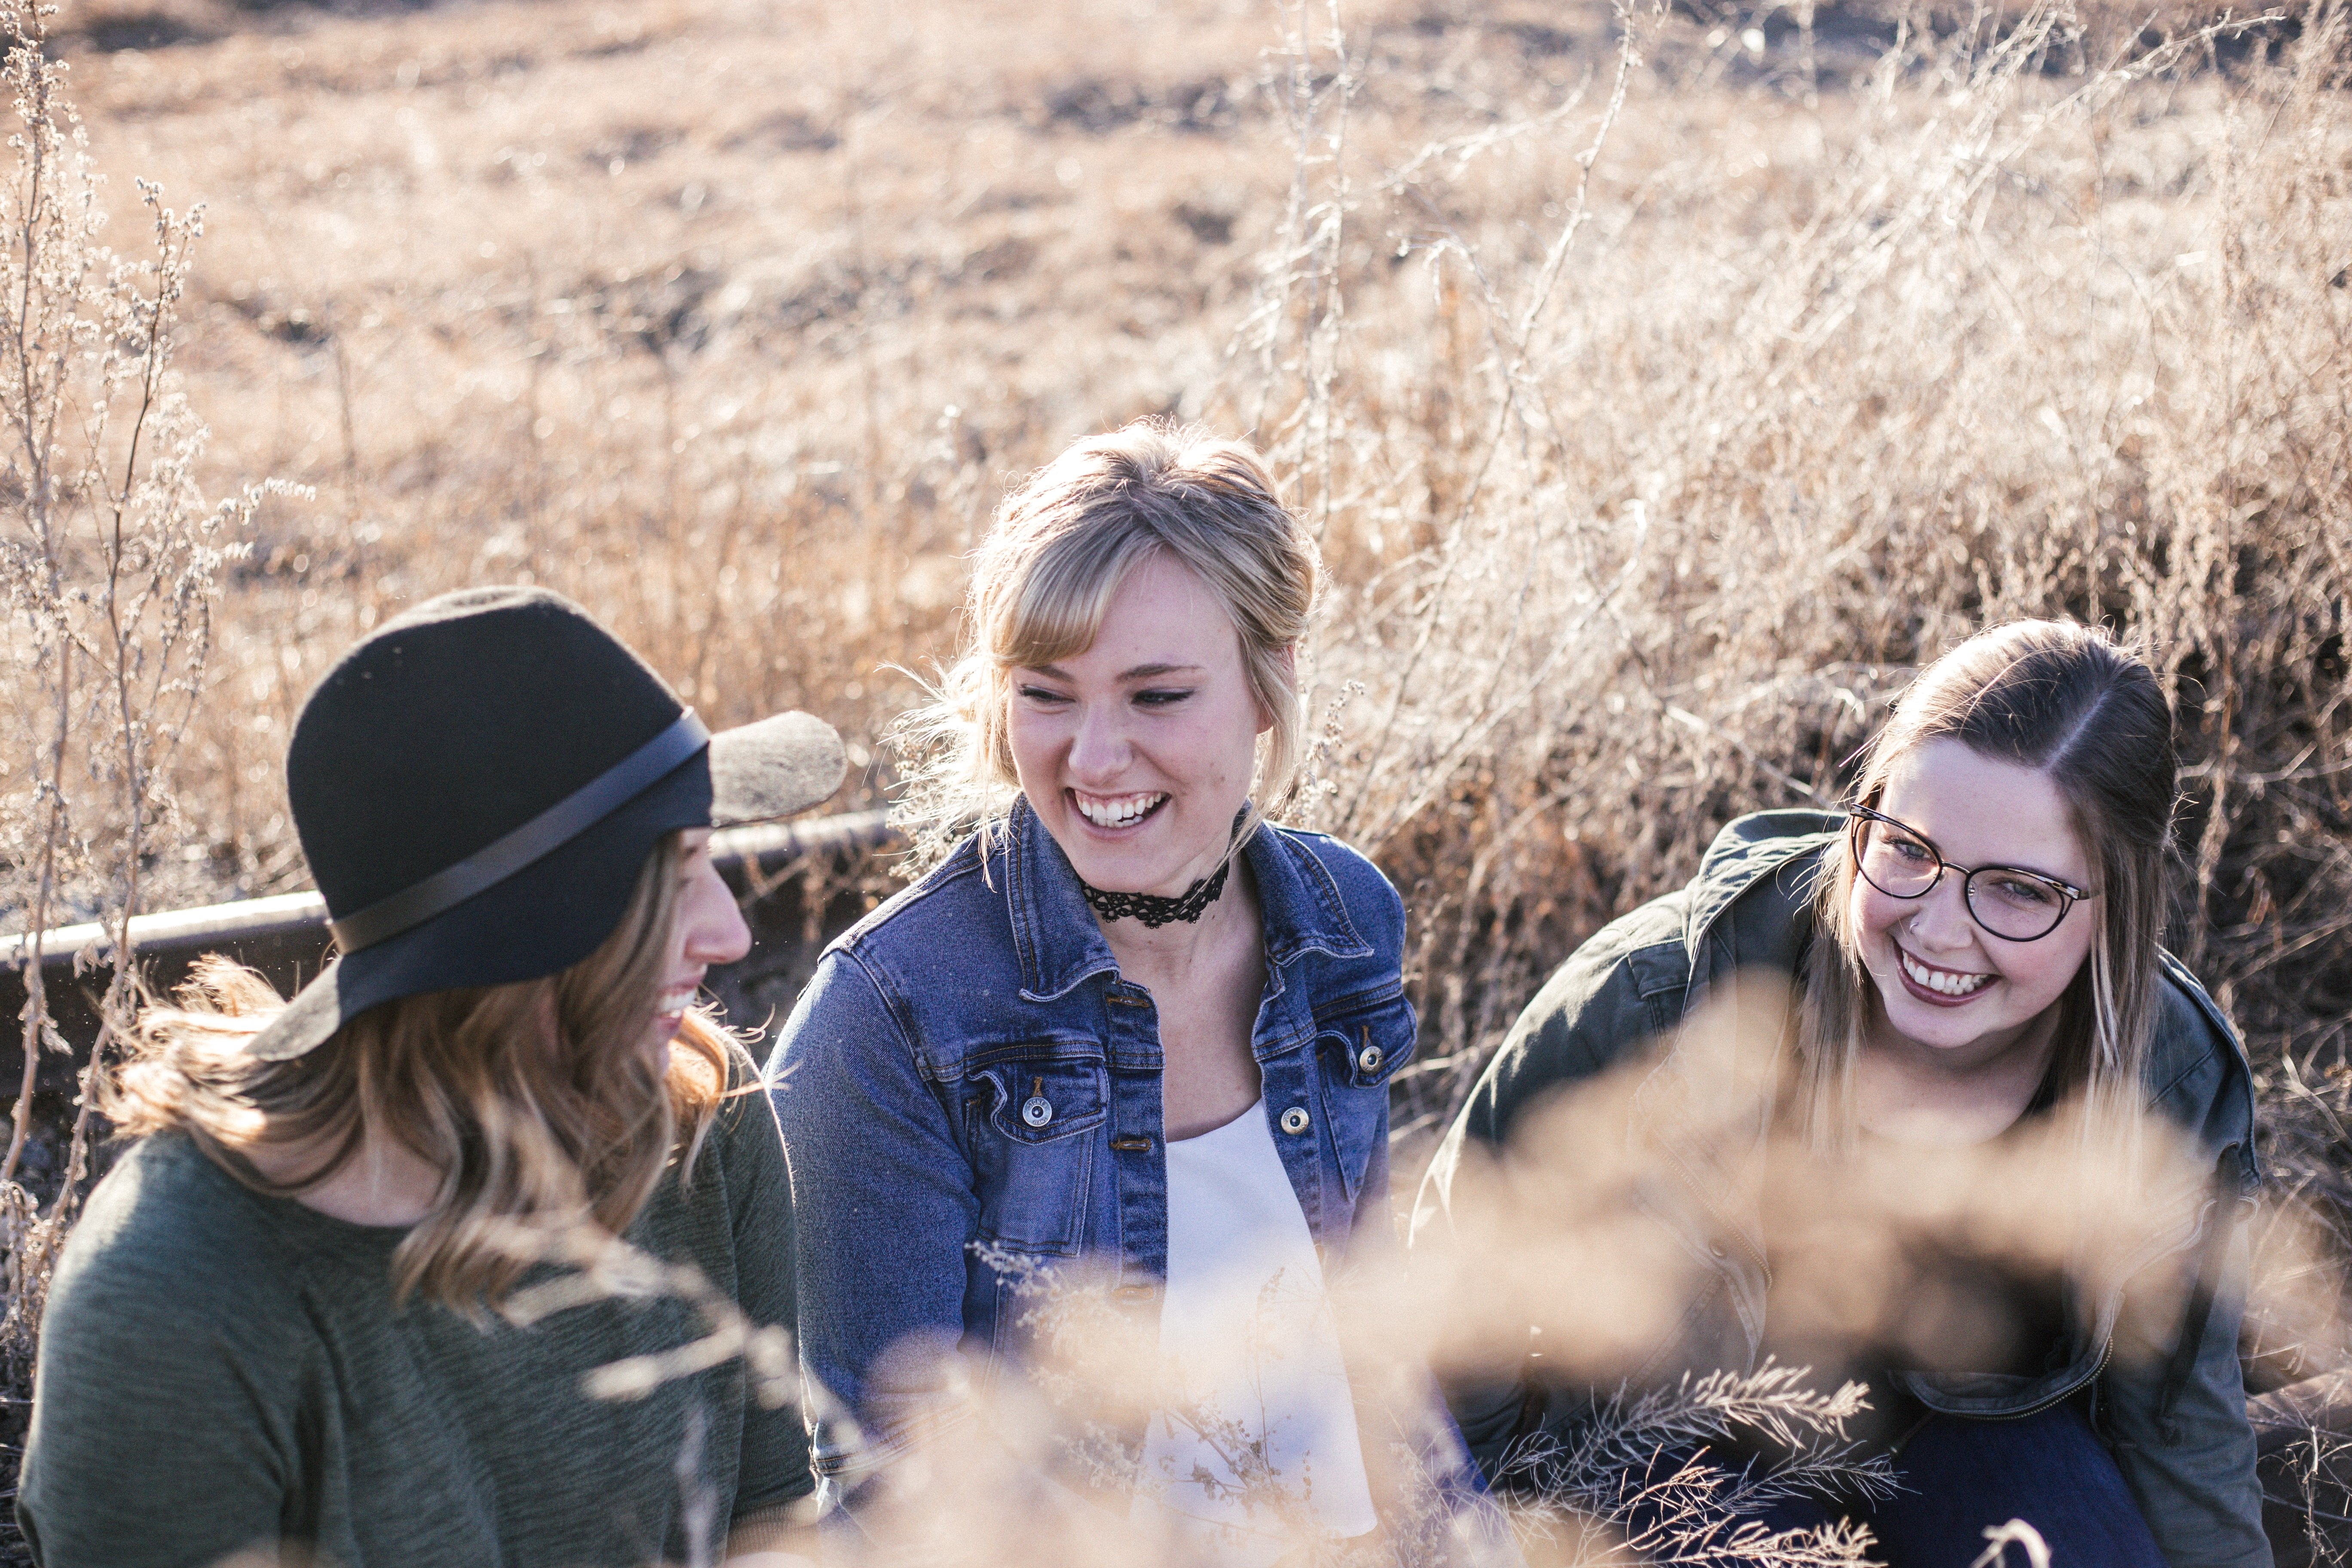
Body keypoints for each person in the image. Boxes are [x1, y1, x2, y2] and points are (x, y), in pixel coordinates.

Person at [770, 423, 1495, 1563]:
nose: (1094, 757)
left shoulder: (1344, 922)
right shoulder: (891, 1020)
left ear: (1268, 687)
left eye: (1157, 696)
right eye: (1047, 694)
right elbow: (894, 1489)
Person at [1415, 619, 2271, 1568]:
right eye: (1907, 847)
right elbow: (1453, 1309)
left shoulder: (2170, 1082)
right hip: (1665, 1449)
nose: (1939, 932)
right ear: (1860, 810)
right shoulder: (1656, 1001)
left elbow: (2183, 1427)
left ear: (2119, 901)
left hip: (1971, 1442)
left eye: (2020, 891)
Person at [17, 586, 844, 1567]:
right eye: (677, 875)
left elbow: (773, 1535)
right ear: (518, 939)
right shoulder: (177, 1300)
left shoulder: (702, 1116)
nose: (732, 933)